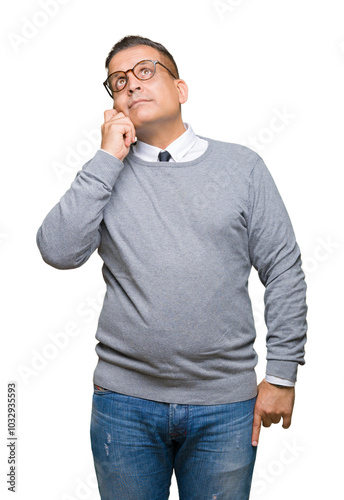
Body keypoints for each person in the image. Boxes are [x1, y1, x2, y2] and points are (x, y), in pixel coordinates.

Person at [36, 35, 308, 500]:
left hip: (226, 406)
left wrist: (282, 374)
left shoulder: (241, 167)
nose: (131, 85)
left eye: (146, 71)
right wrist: (106, 158)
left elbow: (283, 270)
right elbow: (58, 251)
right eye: (118, 81)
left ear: (180, 89)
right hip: (124, 405)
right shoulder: (105, 174)